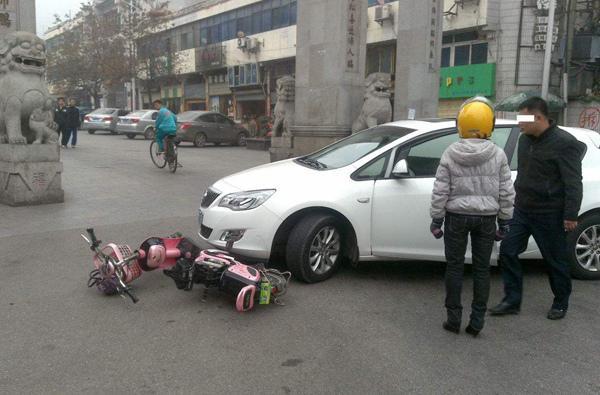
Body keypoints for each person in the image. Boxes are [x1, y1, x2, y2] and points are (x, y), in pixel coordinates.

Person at [489, 97, 585, 320]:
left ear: (539, 117)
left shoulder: (565, 143)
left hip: (549, 212)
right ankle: (512, 300)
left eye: (523, 118)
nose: (519, 124)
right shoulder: (525, 140)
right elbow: (524, 173)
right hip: (523, 209)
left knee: (555, 260)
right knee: (508, 251)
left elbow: (573, 182)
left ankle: (560, 302)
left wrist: (571, 214)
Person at [430, 97, 515, 337]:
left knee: (455, 267)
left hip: (456, 217)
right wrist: (505, 220)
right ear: (490, 124)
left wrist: (437, 219)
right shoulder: (498, 154)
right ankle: (477, 321)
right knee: (481, 269)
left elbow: (440, 190)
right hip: (487, 219)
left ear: (461, 123)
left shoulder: (450, 152)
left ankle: (453, 319)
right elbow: (506, 191)